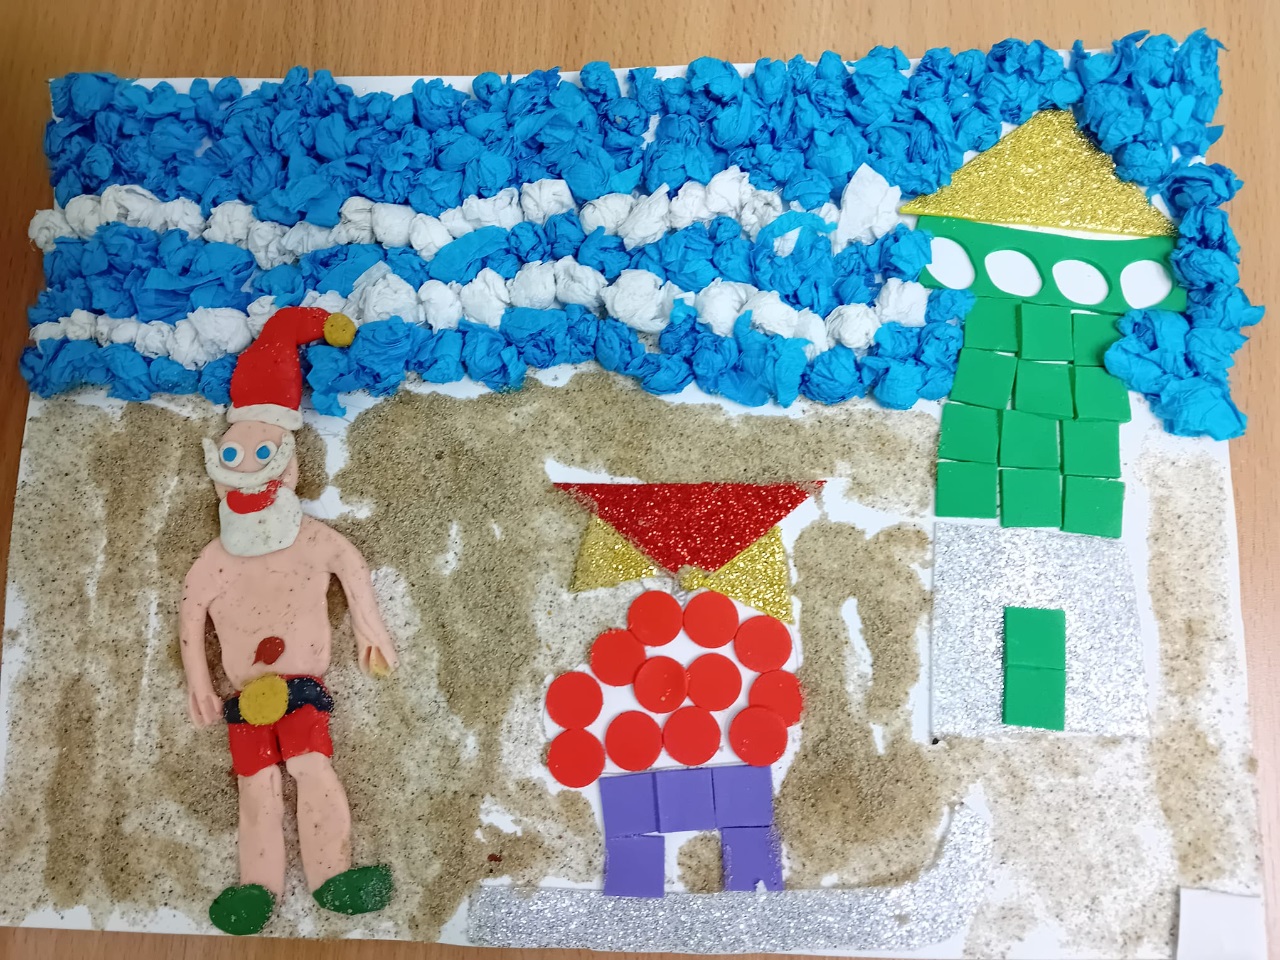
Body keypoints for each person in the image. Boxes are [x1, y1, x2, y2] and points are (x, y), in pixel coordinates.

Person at [179, 307, 399, 936]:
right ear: (218, 467)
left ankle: (334, 875)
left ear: (288, 465)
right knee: (255, 785)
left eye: (261, 453)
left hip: (301, 687)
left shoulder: (310, 537)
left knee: (310, 768)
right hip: (242, 697)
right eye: (233, 454)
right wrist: (199, 681)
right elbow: (190, 611)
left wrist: (371, 629)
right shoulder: (213, 558)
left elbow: (351, 568)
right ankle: (256, 887)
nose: (246, 466)